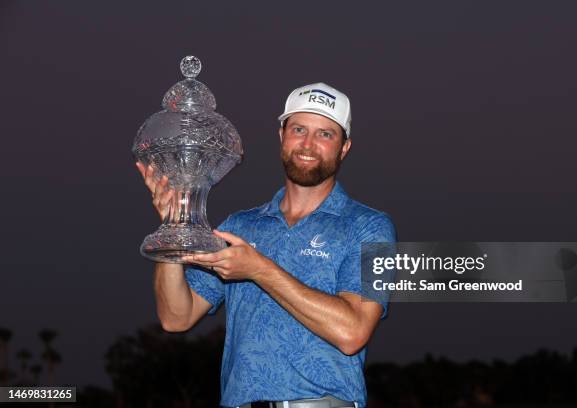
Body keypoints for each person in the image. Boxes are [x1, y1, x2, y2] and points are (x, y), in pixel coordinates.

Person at [136, 82, 396, 408]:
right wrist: (175, 225)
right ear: (281, 136)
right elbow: (176, 317)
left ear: (344, 148)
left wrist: (259, 269)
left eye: (325, 134)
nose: (308, 144)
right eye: (299, 129)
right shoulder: (240, 226)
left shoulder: (371, 227)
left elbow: (353, 332)